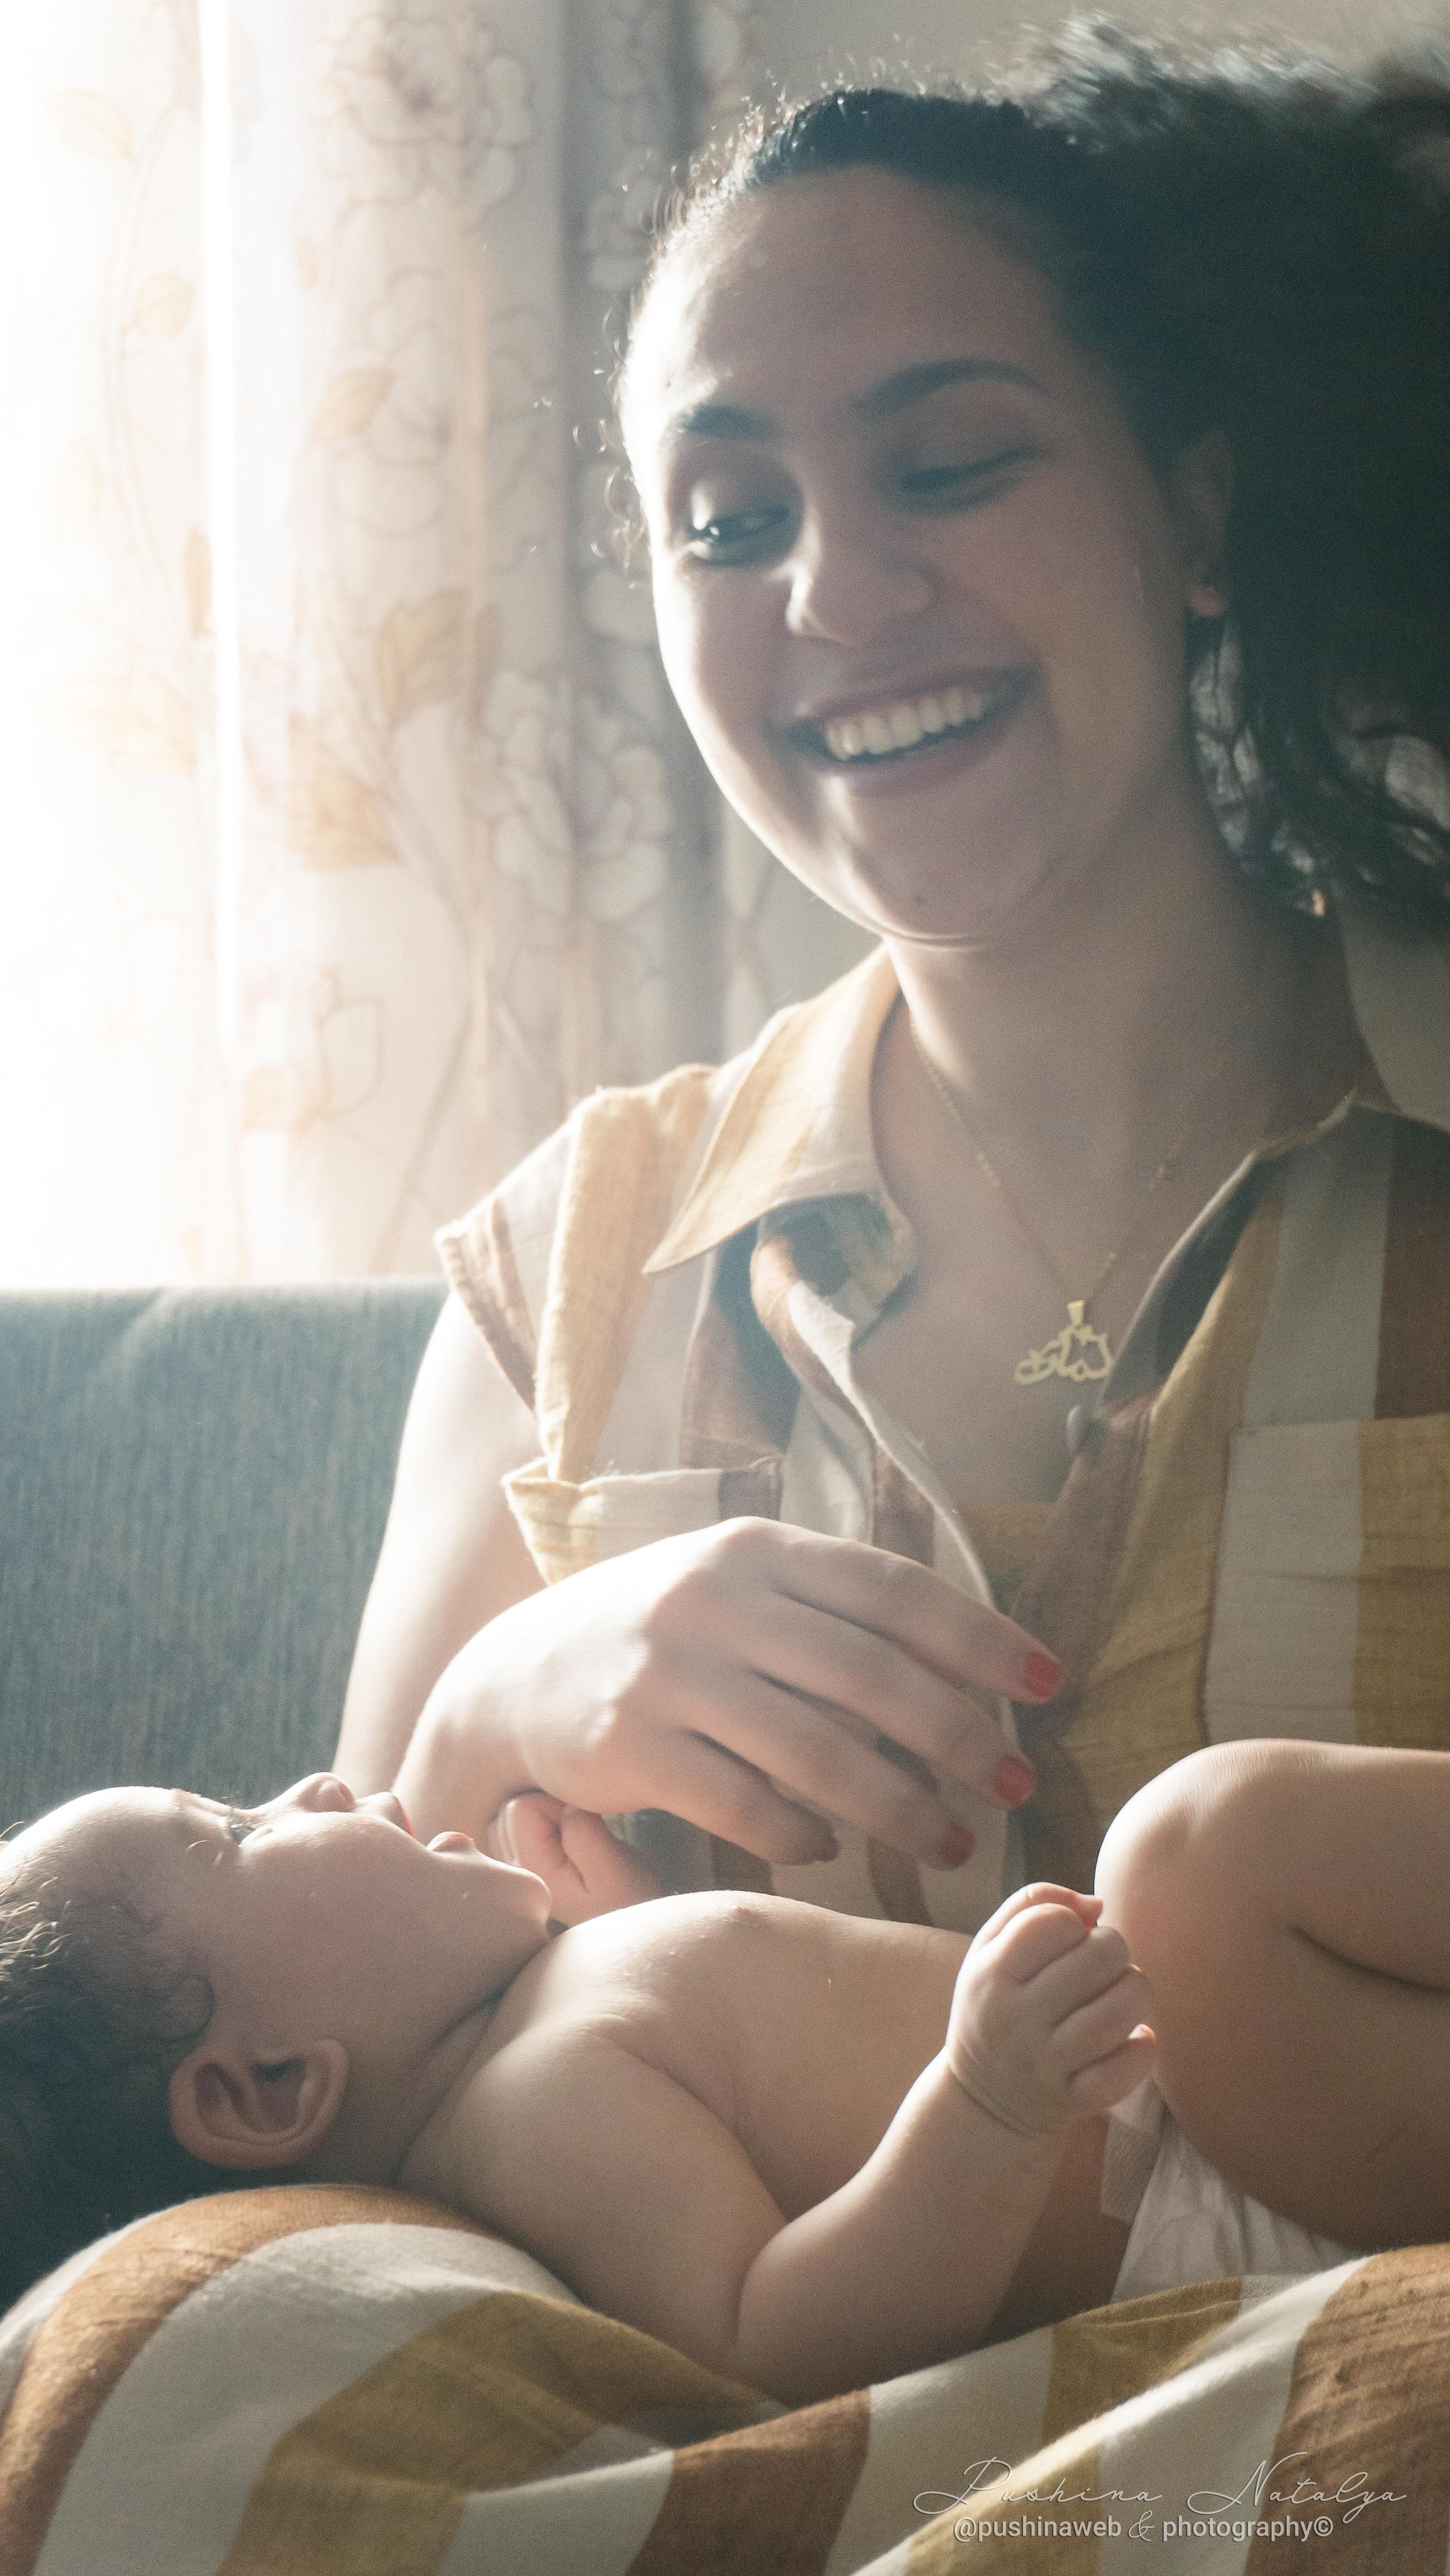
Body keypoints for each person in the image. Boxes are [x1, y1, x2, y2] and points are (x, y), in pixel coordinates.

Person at [337, 36, 1450, 1940]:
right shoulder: (567, 1293)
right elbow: (295, 2047)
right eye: (729, 522)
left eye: (948, 467)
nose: (835, 599)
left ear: (1190, 519)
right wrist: (493, 1705)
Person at [12, 1734, 1450, 2389]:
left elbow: (744, 2081)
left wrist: (641, 1936)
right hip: (1204, 2183)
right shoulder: (531, 2113)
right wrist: (981, 2102)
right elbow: (773, 2336)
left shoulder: (538, 2041)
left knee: (1203, 1860)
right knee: (1193, 1852)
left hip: (1229, 2120)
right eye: (244, 1829)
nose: (314, 1780)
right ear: (265, 2088)